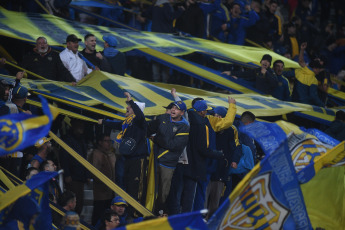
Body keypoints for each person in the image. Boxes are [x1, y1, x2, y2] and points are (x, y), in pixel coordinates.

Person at [99, 92, 148, 217]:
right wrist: (103, 122)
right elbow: (117, 124)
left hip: (138, 160)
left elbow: (140, 115)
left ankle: (136, 214)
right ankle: (130, 213)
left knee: (136, 189)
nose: (126, 108)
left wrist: (131, 100)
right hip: (128, 159)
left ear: (135, 110)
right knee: (127, 186)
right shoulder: (127, 122)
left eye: (129, 107)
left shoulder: (140, 122)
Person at [147, 100, 189, 214]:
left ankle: (157, 214)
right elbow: (148, 129)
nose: (173, 110)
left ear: (182, 112)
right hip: (154, 160)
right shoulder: (162, 118)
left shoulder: (184, 127)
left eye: (177, 108)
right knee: (149, 189)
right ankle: (147, 213)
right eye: (173, 107)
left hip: (167, 164)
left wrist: (156, 139)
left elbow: (174, 145)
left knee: (163, 193)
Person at [205, 106, 242, 219]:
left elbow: (237, 147)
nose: (214, 117)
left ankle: (210, 222)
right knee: (203, 197)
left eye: (216, 115)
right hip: (206, 167)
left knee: (215, 200)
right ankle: (201, 220)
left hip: (221, 169)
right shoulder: (207, 125)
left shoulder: (232, 130)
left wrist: (235, 160)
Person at [60, 119, 89, 215]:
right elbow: (64, 157)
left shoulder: (82, 139)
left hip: (81, 176)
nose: (81, 127)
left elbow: (84, 158)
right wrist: (67, 174)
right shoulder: (68, 139)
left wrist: (86, 175)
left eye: (82, 125)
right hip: (72, 176)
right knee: (73, 202)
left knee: (79, 202)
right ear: (73, 126)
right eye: (79, 125)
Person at [89, 132, 116, 225]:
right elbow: (94, 172)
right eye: (105, 141)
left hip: (110, 191)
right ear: (100, 142)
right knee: (98, 214)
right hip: (100, 192)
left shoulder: (110, 154)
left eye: (109, 141)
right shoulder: (96, 154)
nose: (108, 143)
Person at [286, 42, 324, 107]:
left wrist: (302, 49)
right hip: (304, 107)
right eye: (319, 69)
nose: (319, 71)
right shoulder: (313, 80)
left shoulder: (299, 71)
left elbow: (285, 74)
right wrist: (322, 105)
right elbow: (313, 96)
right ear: (315, 68)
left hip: (292, 103)